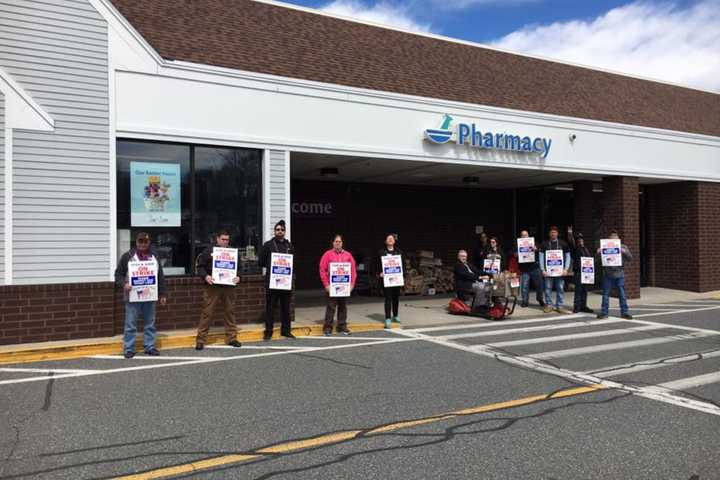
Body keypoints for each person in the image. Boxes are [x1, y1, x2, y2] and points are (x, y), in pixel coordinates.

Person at [114, 232, 167, 359]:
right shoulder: (128, 256)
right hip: (133, 296)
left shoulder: (154, 257)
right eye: (140, 241)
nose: (142, 244)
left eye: (145, 242)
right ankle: (128, 348)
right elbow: (118, 275)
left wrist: (163, 293)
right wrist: (124, 284)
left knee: (150, 323)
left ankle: (149, 347)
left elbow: (160, 276)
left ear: (149, 243)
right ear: (136, 242)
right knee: (130, 324)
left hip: (150, 295)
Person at [195, 229, 242, 350]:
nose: (225, 242)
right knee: (207, 312)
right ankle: (201, 340)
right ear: (217, 239)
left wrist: (239, 277)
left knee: (230, 312)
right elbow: (200, 267)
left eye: (227, 239)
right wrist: (206, 276)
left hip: (229, 286)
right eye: (223, 239)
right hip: (213, 286)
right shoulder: (209, 250)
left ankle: (232, 338)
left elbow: (240, 268)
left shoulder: (233, 252)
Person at [259, 220, 295, 341]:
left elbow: (293, 262)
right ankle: (268, 332)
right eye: (277, 229)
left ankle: (286, 331)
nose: (280, 231)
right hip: (272, 282)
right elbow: (261, 261)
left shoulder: (289, 246)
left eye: (282, 230)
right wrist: (271, 267)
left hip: (285, 282)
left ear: (285, 231)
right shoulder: (268, 245)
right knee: (270, 308)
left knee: (286, 308)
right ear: (274, 231)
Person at [319, 234, 357, 335]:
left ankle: (342, 326)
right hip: (332, 286)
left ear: (342, 243)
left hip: (344, 286)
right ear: (333, 243)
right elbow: (322, 270)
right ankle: (327, 327)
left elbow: (353, 271)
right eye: (336, 241)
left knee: (343, 306)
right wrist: (326, 285)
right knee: (331, 307)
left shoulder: (348, 255)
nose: (338, 243)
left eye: (339, 241)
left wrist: (352, 284)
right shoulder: (327, 254)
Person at [597, 230, 633, 320]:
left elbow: (630, 258)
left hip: (619, 273)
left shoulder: (623, 247)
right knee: (605, 294)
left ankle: (624, 312)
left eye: (615, 237)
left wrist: (623, 251)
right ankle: (604, 312)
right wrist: (598, 253)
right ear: (609, 239)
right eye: (611, 237)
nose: (613, 239)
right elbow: (597, 261)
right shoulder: (604, 246)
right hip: (607, 274)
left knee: (622, 294)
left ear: (618, 239)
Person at [538, 226, 572, 314]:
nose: (553, 234)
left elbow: (568, 256)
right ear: (549, 234)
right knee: (548, 288)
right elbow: (541, 257)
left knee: (560, 288)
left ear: (557, 233)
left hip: (560, 272)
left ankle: (559, 306)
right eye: (551, 232)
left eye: (555, 232)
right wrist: (542, 270)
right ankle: (549, 305)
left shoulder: (563, 243)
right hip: (548, 272)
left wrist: (566, 269)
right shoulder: (544, 244)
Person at [514, 230, 545, 308]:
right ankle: (525, 301)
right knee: (524, 286)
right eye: (522, 235)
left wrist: (536, 248)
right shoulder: (518, 244)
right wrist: (516, 254)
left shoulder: (533, 242)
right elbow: (512, 253)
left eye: (526, 235)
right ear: (520, 236)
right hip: (524, 269)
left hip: (535, 267)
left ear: (528, 236)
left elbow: (541, 248)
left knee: (539, 285)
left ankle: (540, 299)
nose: (524, 236)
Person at [567, 226, 594, 314]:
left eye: (581, 239)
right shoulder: (575, 249)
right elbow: (571, 242)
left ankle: (583, 306)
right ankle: (577, 307)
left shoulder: (585, 249)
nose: (580, 240)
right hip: (578, 272)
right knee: (578, 290)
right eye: (578, 239)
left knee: (585, 290)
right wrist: (570, 233)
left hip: (587, 272)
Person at [379, 233, 402, 329]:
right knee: (388, 299)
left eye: (392, 238)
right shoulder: (381, 252)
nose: (390, 240)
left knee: (396, 298)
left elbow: (403, 265)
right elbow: (375, 265)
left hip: (397, 279)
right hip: (386, 280)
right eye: (388, 238)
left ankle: (395, 315)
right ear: (385, 241)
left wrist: (402, 275)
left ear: (394, 241)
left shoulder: (399, 252)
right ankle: (387, 318)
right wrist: (379, 273)